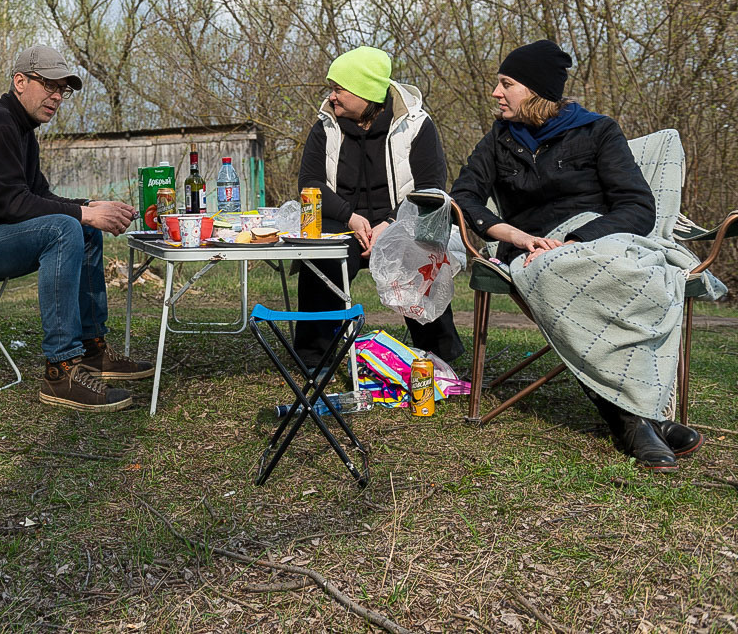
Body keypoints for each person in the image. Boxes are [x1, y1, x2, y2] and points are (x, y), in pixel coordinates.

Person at [450, 39, 703, 471]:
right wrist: (511, 233)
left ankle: (636, 416)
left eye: (506, 84)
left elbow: (638, 207)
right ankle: (637, 422)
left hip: (596, 241)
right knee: (548, 271)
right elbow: (464, 196)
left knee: (640, 274)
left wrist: (578, 239)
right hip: (532, 249)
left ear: (535, 89)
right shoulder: (498, 139)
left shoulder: (597, 131)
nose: (496, 93)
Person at [0, 45, 153, 412]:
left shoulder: (22, 130)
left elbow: (36, 194)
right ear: (19, 82)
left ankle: (91, 351)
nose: (56, 96)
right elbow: (12, 204)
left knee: (81, 228)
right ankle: (61, 370)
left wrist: (89, 207)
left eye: (62, 90)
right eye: (49, 85)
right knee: (64, 229)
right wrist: (83, 215)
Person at [295, 46, 464, 369]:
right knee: (320, 255)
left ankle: (438, 356)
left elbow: (430, 186)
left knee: (420, 254)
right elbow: (310, 183)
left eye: (339, 89)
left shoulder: (415, 125)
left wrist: (391, 222)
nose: (332, 97)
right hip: (343, 221)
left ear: (365, 92)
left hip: (402, 221)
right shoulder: (325, 126)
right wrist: (349, 215)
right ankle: (316, 357)